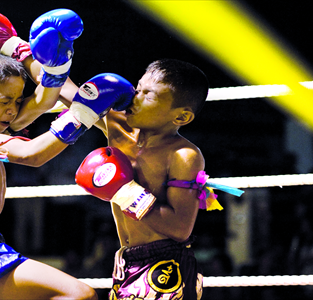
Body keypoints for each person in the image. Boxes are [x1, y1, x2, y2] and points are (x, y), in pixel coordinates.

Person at [0, 8, 136, 300]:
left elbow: (44, 99)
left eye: (16, 101)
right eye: (4, 102)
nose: (12, 110)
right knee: (80, 295)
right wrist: (83, 112)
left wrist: (27, 53)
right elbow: (31, 154)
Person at [72, 59, 244, 299]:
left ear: (181, 117)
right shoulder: (118, 126)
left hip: (166, 265)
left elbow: (180, 228)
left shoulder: (184, 155)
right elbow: (67, 92)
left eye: (148, 95)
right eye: (137, 88)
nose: (135, 98)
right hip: (125, 261)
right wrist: (17, 48)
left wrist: (124, 191)